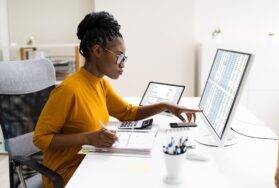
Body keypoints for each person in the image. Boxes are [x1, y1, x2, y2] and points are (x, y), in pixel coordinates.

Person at [33, 11, 200, 187]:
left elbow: (128, 113)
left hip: (90, 161)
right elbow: (40, 139)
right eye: (119, 56)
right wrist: (88, 138)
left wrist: (166, 105)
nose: (123, 64)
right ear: (97, 50)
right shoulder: (69, 90)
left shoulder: (99, 84)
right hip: (67, 175)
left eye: (124, 57)